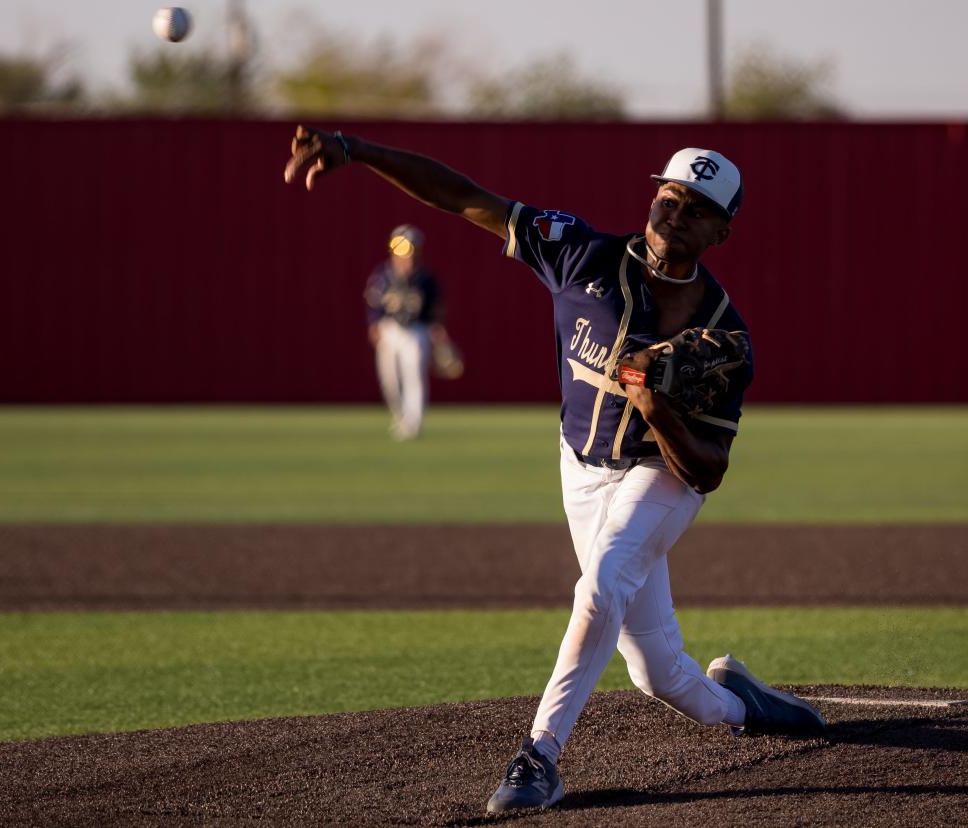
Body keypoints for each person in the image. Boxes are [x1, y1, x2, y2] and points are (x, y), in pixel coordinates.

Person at [283, 127, 826, 813]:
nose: (676, 214)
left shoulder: (726, 334)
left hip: (663, 475)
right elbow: (463, 198)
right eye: (669, 197)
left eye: (696, 208)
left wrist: (657, 408)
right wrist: (357, 150)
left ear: (722, 230)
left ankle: (538, 755)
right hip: (579, 467)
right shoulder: (582, 254)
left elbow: (709, 469)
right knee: (657, 674)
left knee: (600, 585)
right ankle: (746, 707)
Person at [364, 224, 445, 441]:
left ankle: (413, 423)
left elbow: (434, 309)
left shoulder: (425, 279)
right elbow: (373, 303)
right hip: (389, 329)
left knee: (415, 376)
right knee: (389, 379)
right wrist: (374, 324)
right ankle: (400, 417)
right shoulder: (383, 275)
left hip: (417, 329)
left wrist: (437, 329)